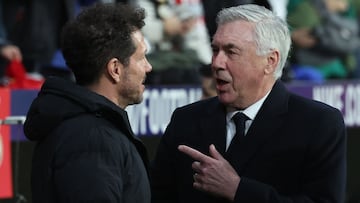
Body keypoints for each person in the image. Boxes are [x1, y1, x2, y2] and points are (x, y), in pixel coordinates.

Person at [150, 4, 347, 203]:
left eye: (231, 52)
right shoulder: (185, 120)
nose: (216, 63)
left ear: (270, 61)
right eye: (215, 50)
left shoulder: (318, 123)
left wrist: (238, 190)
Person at [23, 3, 152, 203]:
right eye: (142, 57)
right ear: (115, 69)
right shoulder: (93, 140)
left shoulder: (89, 131)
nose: (148, 67)